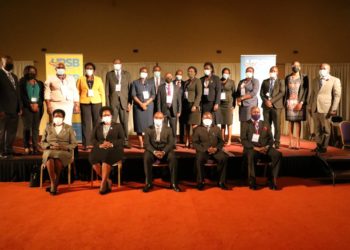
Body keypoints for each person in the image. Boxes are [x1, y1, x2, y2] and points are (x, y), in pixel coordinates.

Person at [241, 106, 282, 190]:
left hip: (265, 148)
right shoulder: (245, 124)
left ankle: (272, 180)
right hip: (252, 148)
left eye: (258, 112)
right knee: (250, 155)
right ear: (250, 113)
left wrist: (267, 147)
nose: (256, 114)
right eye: (254, 112)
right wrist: (255, 148)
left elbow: (271, 139)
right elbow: (243, 140)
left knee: (277, 154)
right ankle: (252, 181)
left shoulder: (265, 123)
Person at [40, 109, 77, 195]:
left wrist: (64, 147)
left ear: (63, 118)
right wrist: (49, 146)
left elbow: (74, 144)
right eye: (56, 116)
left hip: (63, 151)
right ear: (53, 117)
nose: (57, 118)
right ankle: (54, 183)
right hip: (50, 150)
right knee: (50, 158)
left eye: (60, 116)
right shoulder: (48, 127)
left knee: (57, 158)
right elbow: (42, 142)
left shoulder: (69, 128)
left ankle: (54, 184)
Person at [89, 106, 124, 194]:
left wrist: (111, 144)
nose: (106, 116)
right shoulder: (98, 126)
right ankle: (107, 180)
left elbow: (122, 140)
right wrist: (100, 145)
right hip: (101, 148)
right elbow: (92, 139)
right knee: (93, 158)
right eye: (104, 115)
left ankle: (103, 184)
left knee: (105, 160)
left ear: (111, 116)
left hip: (115, 149)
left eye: (108, 115)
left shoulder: (118, 126)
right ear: (101, 117)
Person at [143, 112, 181, 192]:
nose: (158, 119)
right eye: (156, 118)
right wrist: (154, 152)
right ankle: (149, 183)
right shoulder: (148, 129)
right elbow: (146, 144)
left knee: (173, 157)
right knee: (146, 156)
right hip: (153, 151)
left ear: (163, 119)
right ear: (153, 119)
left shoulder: (169, 129)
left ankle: (173, 183)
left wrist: (163, 152)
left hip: (165, 151)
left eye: (160, 118)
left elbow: (171, 143)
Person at [309, 63, 342, 153]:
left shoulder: (335, 80)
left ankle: (324, 146)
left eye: (324, 68)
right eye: (320, 68)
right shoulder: (315, 80)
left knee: (326, 129)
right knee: (317, 129)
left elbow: (337, 95)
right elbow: (312, 94)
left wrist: (334, 108)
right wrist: (309, 106)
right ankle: (318, 145)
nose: (322, 69)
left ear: (329, 70)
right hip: (315, 107)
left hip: (326, 108)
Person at [192, 112, 228, 191]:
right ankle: (200, 182)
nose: (207, 119)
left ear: (212, 119)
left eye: (209, 118)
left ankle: (221, 182)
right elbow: (194, 143)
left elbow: (221, 141)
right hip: (203, 151)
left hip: (215, 150)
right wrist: (205, 149)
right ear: (202, 119)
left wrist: (216, 148)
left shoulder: (216, 128)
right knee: (199, 159)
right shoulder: (197, 129)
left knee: (223, 157)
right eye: (205, 118)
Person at [77, 62, 105, 150]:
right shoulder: (80, 79)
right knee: (86, 123)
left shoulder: (98, 79)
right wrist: (77, 104)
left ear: (94, 70)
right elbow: (77, 92)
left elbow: (102, 93)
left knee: (97, 123)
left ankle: (97, 143)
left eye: (91, 68)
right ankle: (86, 144)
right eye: (87, 68)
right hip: (84, 103)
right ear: (85, 69)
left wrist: (103, 105)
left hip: (97, 102)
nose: (89, 70)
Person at [105, 59, 132, 148]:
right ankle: (112, 141)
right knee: (112, 123)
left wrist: (129, 103)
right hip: (113, 103)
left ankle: (125, 141)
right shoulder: (109, 74)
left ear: (121, 64)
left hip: (124, 102)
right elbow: (107, 91)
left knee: (124, 123)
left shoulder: (127, 74)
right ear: (113, 64)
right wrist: (108, 105)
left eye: (118, 63)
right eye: (115, 63)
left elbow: (130, 90)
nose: (117, 64)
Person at [0, 55, 22, 159]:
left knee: (11, 132)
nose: (10, 64)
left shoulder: (14, 76)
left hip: (14, 109)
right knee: (1, 132)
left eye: (11, 62)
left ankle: (8, 150)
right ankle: (1, 152)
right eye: (7, 62)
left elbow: (17, 93)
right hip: (3, 110)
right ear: (2, 63)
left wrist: (20, 107)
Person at [19, 65, 44, 154]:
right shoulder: (22, 82)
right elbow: (21, 96)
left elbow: (42, 97)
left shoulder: (39, 83)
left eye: (33, 71)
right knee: (27, 128)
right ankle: (26, 146)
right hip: (26, 108)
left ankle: (35, 146)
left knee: (36, 128)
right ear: (25, 72)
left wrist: (37, 104)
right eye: (29, 71)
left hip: (37, 108)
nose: (31, 73)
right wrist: (30, 104)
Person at [284, 61, 308, 149]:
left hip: (299, 102)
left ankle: (298, 143)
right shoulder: (288, 77)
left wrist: (301, 103)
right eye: (294, 65)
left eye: (297, 65)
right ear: (291, 67)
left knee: (298, 122)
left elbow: (306, 90)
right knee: (290, 122)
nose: (295, 67)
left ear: (300, 67)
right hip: (290, 101)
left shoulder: (304, 77)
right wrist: (286, 101)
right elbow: (285, 90)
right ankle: (290, 142)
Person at [260, 66, 285, 149]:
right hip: (266, 106)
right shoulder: (265, 81)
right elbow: (261, 93)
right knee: (267, 125)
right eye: (271, 70)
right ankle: (269, 141)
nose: (273, 72)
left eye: (275, 71)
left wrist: (271, 101)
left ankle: (277, 142)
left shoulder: (281, 81)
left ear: (277, 72)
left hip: (276, 106)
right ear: (269, 72)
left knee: (277, 125)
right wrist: (266, 101)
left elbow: (282, 92)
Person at [131, 67, 156, 148]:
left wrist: (146, 103)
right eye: (142, 71)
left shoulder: (151, 83)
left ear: (147, 74)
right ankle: (141, 142)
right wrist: (141, 104)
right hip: (138, 107)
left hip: (149, 107)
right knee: (139, 125)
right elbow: (133, 95)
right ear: (139, 72)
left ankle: (147, 141)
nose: (143, 73)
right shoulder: (135, 82)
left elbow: (153, 95)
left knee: (149, 125)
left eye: (145, 72)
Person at [157, 72, 181, 145]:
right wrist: (159, 112)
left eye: (170, 77)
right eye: (167, 77)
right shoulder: (160, 87)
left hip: (173, 110)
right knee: (163, 128)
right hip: (164, 111)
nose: (169, 78)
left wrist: (179, 111)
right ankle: (164, 143)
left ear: (172, 77)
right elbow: (158, 101)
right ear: (165, 78)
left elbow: (179, 100)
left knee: (173, 128)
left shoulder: (176, 87)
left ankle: (173, 143)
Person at [181, 66, 202, 148]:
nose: (190, 72)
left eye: (192, 71)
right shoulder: (186, 82)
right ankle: (187, 141)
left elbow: (199, 94)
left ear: (195, 72)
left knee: (194, 125)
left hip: (193, 105)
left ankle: (194, 142)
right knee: (187, 124)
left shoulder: (198, 81)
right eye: (189, 71)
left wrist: (195, 105)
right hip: (186, 105)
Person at [218, 67, 236, 145]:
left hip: (229, 104)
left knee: (229, 122)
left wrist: (233, 105)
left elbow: (234, 94)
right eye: (224, 72)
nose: (226, 74)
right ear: (222, 73)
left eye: (227, 73)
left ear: (229, 74)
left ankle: (229, 140)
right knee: (222, 123)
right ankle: (222, 139)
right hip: (221, 104)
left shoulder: (232, 82)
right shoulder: (219, 81)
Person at [174, 69, 186, 144]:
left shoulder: (185, 83)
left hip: (183, 105)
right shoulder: (171, 83)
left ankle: (181, 139)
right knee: (173, 123)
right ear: (175, 75)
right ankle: (173, 139)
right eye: (178, 74)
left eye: (181, 74)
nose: (179, 75)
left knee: (182, 123)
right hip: (174, 105)